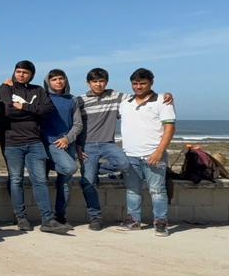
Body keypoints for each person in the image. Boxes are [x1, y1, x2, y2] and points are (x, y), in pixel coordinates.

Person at [70, 68, 174, 231]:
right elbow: (74, 124)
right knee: (88, 182)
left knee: (126, 165)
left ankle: (160, 222)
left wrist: (167, 94)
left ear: (106, 82)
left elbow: (143, 96)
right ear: (88, 83)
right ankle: (95, 217)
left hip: (109, 144)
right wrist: (76, 145)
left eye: (102, 81)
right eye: (95, 81)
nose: (98, 84)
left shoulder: (118, 97)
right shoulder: (80, 101)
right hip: (87, 146)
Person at [0, 60, 68, 233]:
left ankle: (48, 220)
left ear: (32, 75)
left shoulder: (38, 90)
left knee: (40, 180)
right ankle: (21, 218)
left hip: (35, 142)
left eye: (25, 72)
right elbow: (8, 112)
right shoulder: (5, 88)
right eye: (18, 71)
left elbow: (48, 110)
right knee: (16, 179)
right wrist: (33, 112)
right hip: (12, 142)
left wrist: (24, 107)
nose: (21, 74)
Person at [118, 68, 176, 236]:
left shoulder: (162, 101)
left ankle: (160, 223)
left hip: (153, 155)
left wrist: (159, 152)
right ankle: (133, 221)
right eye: (135, 83)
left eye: (143, 83)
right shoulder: (125, 102)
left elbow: (170, 128)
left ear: (151, 82)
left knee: (157, 191)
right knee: (132, 190)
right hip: (129, 155)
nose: (138, 87)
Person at [41, 69, 81, 226]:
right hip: (48, 144)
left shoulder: (72, 99)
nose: (58, 82)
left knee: (64, 183)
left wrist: (67, 139)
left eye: (60, 78)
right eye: (54, 79)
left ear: (65, 80)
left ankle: (60, 216)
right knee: (70, 168)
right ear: (48, 82)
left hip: (67, 144)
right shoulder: (44, 98)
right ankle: (47, 218)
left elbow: (78, 124)